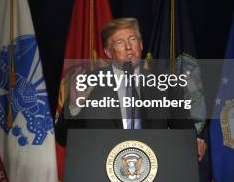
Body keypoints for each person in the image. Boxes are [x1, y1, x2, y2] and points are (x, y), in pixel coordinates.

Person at [68, 17, 207, 161]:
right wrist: (74, 107)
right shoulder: (88, 84)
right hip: (101, 171)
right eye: (120, 42)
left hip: (154, 171)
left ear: (140, 45)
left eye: (132, 39)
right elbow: (63, 138)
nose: (128, 47)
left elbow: (184, 130)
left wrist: (193, 140)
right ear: (108, 53)